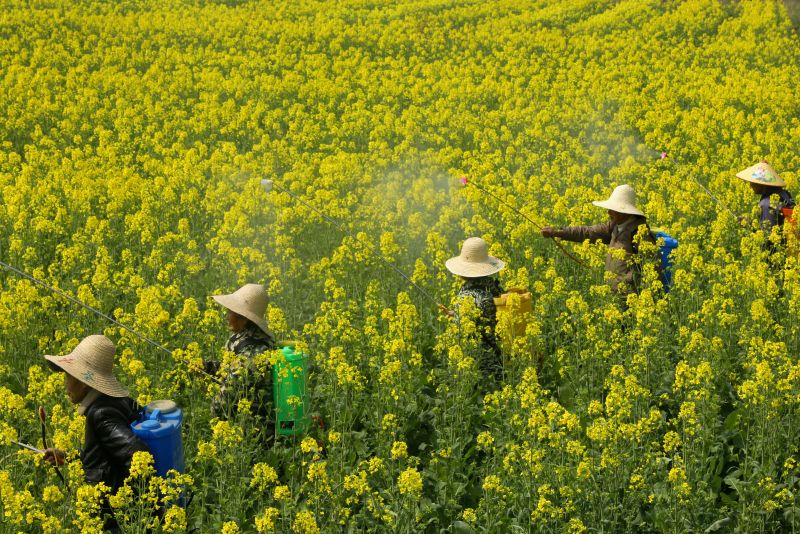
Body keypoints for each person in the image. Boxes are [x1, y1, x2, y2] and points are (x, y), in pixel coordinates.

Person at [43, 334, 150, 533]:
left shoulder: (100, 414)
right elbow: (107, 456)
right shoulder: (119, 401)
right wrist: (69, 457)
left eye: (68, 376)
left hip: (117, 521)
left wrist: (136, 502)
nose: (65, 385)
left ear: (84, 382)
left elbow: (138, 455)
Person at [541, 184, 660, 298]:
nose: (608, 213)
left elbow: (652, 266)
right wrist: (558, 232)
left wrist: (648, 297)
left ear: (624, 211)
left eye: (613, 209)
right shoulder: (614, 226)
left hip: (629, 299)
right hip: (614, 295)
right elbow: (588, 232)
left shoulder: (640, 233)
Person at [207, 283, 278, 436]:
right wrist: (207, 367)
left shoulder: (254, 351)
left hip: (256, 430)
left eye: (231, 312)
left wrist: (213, 422)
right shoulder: (248, 338)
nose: (227, 316)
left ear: (244, 318)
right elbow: (232, 369)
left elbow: (231, 391)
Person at [445, 237, 506, 381]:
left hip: (480, 367)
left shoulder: (467, 296)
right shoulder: (494, 288)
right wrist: (458, 313)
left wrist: (457, 318)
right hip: (501, 358)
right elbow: (487, 315)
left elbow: (461, 333)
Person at [735, 160, 796, 238]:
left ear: (761, 184)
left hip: (783, 246)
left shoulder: (766, 204)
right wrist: (751, 223)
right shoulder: (784, 194)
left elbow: (768, 237)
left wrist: (748, 227)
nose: (751, 186)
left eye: (753, 182)